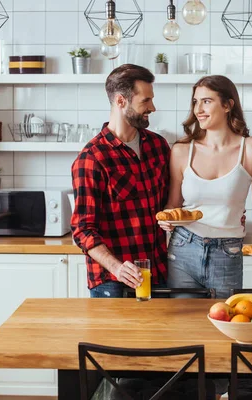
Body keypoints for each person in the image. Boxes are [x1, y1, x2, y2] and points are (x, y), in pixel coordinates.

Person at [159, 75, 252, 301]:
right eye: (195, 102)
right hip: (183, 248)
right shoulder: (182, 150)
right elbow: (173, 205)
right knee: (184, 326)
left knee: (225, 322)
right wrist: (166, 218)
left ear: (228, 105)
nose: (198, 109)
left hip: (228, 253)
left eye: (206, 101)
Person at [71, 64, 170, 298]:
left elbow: (170, 203)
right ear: (121, 101)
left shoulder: (158, 146)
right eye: (145, 101)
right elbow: (82, 229)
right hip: (112, 282)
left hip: (158, 272)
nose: (152, 108)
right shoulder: (92, 158)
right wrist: (116, 267)